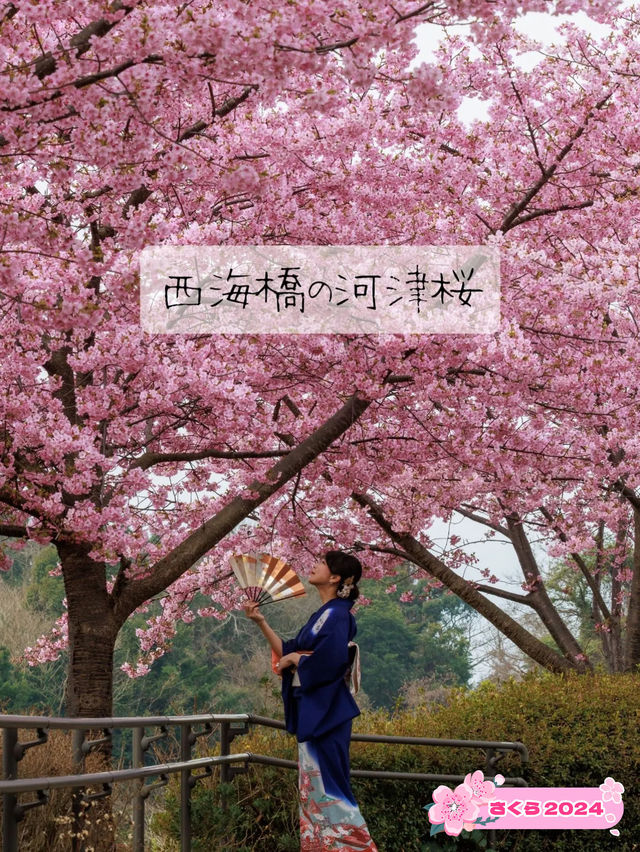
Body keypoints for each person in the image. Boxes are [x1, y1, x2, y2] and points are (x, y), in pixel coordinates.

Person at [245, 549, 379, 852]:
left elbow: (330, 660)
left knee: (330, 786)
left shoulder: (338, 614)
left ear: (335, 578)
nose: (314, 564)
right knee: (314, 788)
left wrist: (296, 659)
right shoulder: (323, 614)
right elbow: (287, 649)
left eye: (322, 563)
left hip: (327, 712)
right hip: (316, 710)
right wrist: (261, 622)